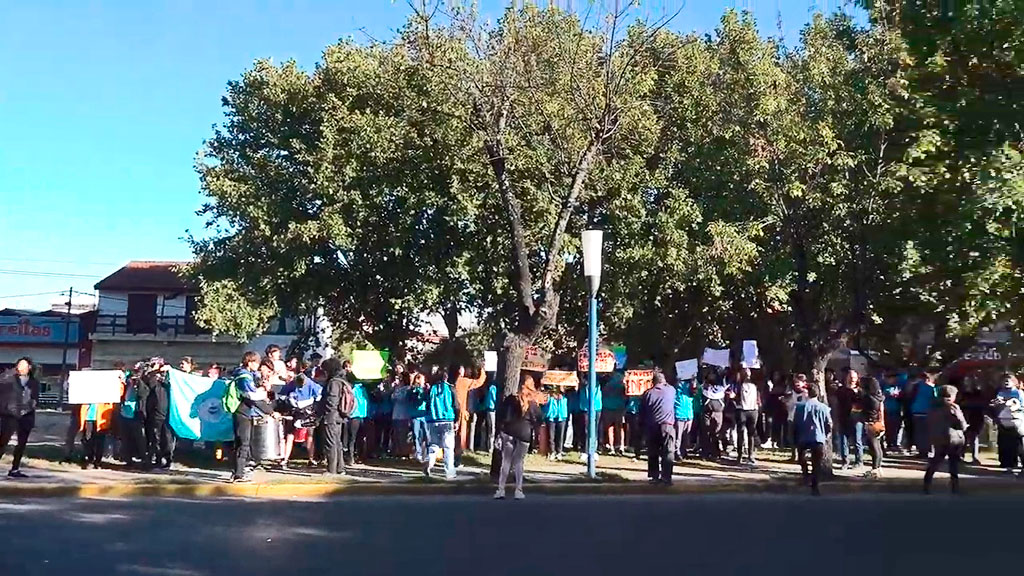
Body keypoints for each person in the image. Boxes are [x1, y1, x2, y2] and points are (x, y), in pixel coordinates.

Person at [494, 376, 544, 500]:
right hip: (524, 434)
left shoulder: (511, 399)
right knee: (519, 462)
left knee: (506, 462)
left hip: (509, 432)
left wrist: (500, 431)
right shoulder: (533, 404)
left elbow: (502, 415)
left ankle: (501, 489)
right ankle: (518, 490)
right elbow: (540, 419)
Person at [230, 351, 275, 483]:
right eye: (256, 362)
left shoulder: (245, 375)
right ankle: (239, 475)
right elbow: (251, 396)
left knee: (240, 443)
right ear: (250, 362)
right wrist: (270, 410)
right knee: (243, 443)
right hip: (242, 412)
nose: (258, 365)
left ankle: (237, 471)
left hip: (242, 412)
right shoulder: (244, 377)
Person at [923, 385, 967, 494]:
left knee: (935, 461)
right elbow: (961, 424)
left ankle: (927, 484)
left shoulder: (933, 407)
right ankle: (955, 486)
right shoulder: (953, 407)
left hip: (938, 437)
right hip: (953, 438)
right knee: (953, 463)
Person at [0, 357, 40, 477]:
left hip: (26, 415)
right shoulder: (8, 379)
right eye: (20, 365)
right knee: (3, 441)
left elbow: (35, 397)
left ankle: (15, 469)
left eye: (25, 365)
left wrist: (32, 404)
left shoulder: (33, 382)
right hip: (10, 414)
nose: (21, 368)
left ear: (30, 367)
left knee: (21, 444)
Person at [793, 377, 832, 496]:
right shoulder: (824, 408)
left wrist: (795, 436)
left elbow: (796, 423)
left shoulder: (800, 407)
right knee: (817, 463)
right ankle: (815, 486)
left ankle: (806, 475)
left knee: (801, 457)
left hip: (803, 437)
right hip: (818, 437)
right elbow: (829, 424)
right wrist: (826, 435)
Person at [280, 373, 323, 469]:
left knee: (309, 435)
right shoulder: (292, 384)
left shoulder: (311, 384)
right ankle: (285, 459)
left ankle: (311, 459)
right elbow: (282, 394)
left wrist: (312, 401)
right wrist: (289, 400)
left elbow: (319, 395)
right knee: (290, 435)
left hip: (308, 411)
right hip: (295, 410)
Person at [641, 372, 676, 485]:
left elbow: (643, 410)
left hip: (652, 425)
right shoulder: (671, 391)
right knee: (668, 451)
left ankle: (654, 476)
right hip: (667, 425)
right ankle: (666, 477)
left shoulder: (648, 393)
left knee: (653, 451)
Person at [139, 358, 175, 469]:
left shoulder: (169, 375)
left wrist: (168, 370)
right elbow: (147, 384)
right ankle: (158, 459)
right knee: (155, 438)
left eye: (155, 364)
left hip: (166, 411)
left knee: (167, 438)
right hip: (154, 411)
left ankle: (168, 459)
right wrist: (153, 371)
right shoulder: (152, 376)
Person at [425, 370, 460, 480]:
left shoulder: (432, 389)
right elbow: (456, 406)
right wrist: (457, 420)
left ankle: (429, 463)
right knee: (448, 447)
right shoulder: (450, 388)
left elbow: (427, 403)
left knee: (433, 444)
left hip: (433, 419)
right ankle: (449, 472)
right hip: (447, 420)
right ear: (446, 378)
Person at [318, 358, 348, 476]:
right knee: (337, 442)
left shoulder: (333, 382)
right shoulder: (342, 380)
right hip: (339, 415)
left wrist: (325, 413)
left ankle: (331, 469)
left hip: (331, 416)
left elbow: (332, 401)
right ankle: (340, 468)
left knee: (330, 442)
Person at [992, 373, 1024, 473]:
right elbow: (997, 405)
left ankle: (1019, 463)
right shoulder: (1000, 392)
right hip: (1003, 420)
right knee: (1004, 443)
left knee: (1018, 443)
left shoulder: (1019, 393)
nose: (1006, 382)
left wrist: (1009, 403)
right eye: (1004, 380)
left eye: (1008, 380)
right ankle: (1007, 463)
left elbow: (1020, 406)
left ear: (1014, 382)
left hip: (1016, 420)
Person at [835, 370, 865, 469]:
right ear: (847, 378)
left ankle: (859, 461)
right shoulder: (841, 390)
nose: (852, 380)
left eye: (854, 377)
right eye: (851, 377)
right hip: (843, 417)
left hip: (857, 419)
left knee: (857, 440)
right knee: (843, 441)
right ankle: (845, 461)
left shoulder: (860, 391)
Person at [958, 374, 988, 465]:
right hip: (966, 416)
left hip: (976, 416)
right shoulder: (963, 394)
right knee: (964, 437)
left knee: (973, 437)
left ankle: (974, 457)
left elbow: (982, 405)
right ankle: (961, 456)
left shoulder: (979, 393)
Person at [733, 368, 760, 465]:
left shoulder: (755, 384)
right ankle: (739, 455)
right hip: (742, 410)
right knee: (740, 433)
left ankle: (751, 455)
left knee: (751, 433)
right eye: (745, 372)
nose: (747, 374)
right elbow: (735, 395)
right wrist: (734, 397)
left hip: (753, 410)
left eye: (748, 372)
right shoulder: (738, 385)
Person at [908, 371, 937, 458]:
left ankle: (922, 451)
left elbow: (909, 396)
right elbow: (935, 400)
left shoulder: (916, 386)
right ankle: (929, 450)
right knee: (928, 433)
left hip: (917, 411)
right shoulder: (932, 388)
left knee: (919, 432)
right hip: (928, 412)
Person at [861, 376, 885, 478]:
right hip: (878, 422)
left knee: (873, 447)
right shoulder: (879, 397)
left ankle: (874, 469)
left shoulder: (868, 398)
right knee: (878, 446)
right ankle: (878, 467)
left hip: (870, 422)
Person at [701, 372, 728, 460]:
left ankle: (715, 452)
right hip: (708, 413)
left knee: (716, 433)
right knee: (706, 433)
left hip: (717, 413)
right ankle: (706, 453)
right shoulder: (705, 387)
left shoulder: (722, 387)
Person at [344, 379, 370, 466]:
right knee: (361, 438)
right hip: (363, 414)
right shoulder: (363, 389)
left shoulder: (351, 389)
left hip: (354, 415)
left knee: (352, 438)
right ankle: (360, 457)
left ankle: (351, 457)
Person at [601, 371, 627, 455]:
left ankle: (618, 446)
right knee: (614, 427)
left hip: (615, 405)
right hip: (613, 405)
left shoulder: (620, 378)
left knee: (615, 427)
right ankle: (616, 446)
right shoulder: (606, 378)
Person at [408, 371, 430, 462]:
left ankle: (428, 453)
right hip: (415, 415)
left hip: (424, 415)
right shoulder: (413, 389)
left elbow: (427, 400)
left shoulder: (426, 389)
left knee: (427, 435)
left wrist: (426, 391)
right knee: (416, 435)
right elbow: (413, 400)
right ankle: (418, 453)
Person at [881, 373, 904, 453]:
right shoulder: (884, 387)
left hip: (896, 410)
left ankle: (895, 444)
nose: (893, 380)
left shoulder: (898, 387)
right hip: (887, 410)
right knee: (888, 428)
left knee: (896, 428)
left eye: (894, 378)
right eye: (891, 378)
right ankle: (889, 444)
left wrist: (899, 396)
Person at [544, 387, 568, 461]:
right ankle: (552, 452)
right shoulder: (549, 391)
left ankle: (559, 452)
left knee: (560, 435)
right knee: (551, 436)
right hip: (551, 415)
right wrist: (550, 394)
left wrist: (563, 391)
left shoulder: (566, 390)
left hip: (561, 414)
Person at [674, 377, 694, 461]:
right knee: (678, 435)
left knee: (686, 435)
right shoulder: (677, 387)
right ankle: (676, 452)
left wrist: (694, 380)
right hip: (680, 413)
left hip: (688, 413)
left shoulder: (691, 386)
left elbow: (695, 392)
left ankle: (683, 451)